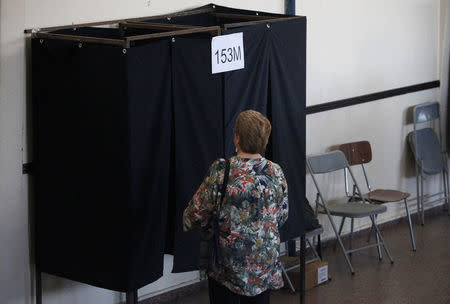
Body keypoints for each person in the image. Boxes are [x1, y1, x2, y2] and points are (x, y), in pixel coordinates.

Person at [183, 110, 289, 304]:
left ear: (237, 138)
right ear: (264, 142)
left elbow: (194, 214)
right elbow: (281, 216)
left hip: (227, 267)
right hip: (264, 264)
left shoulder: (222, 170)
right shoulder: (276, 172)